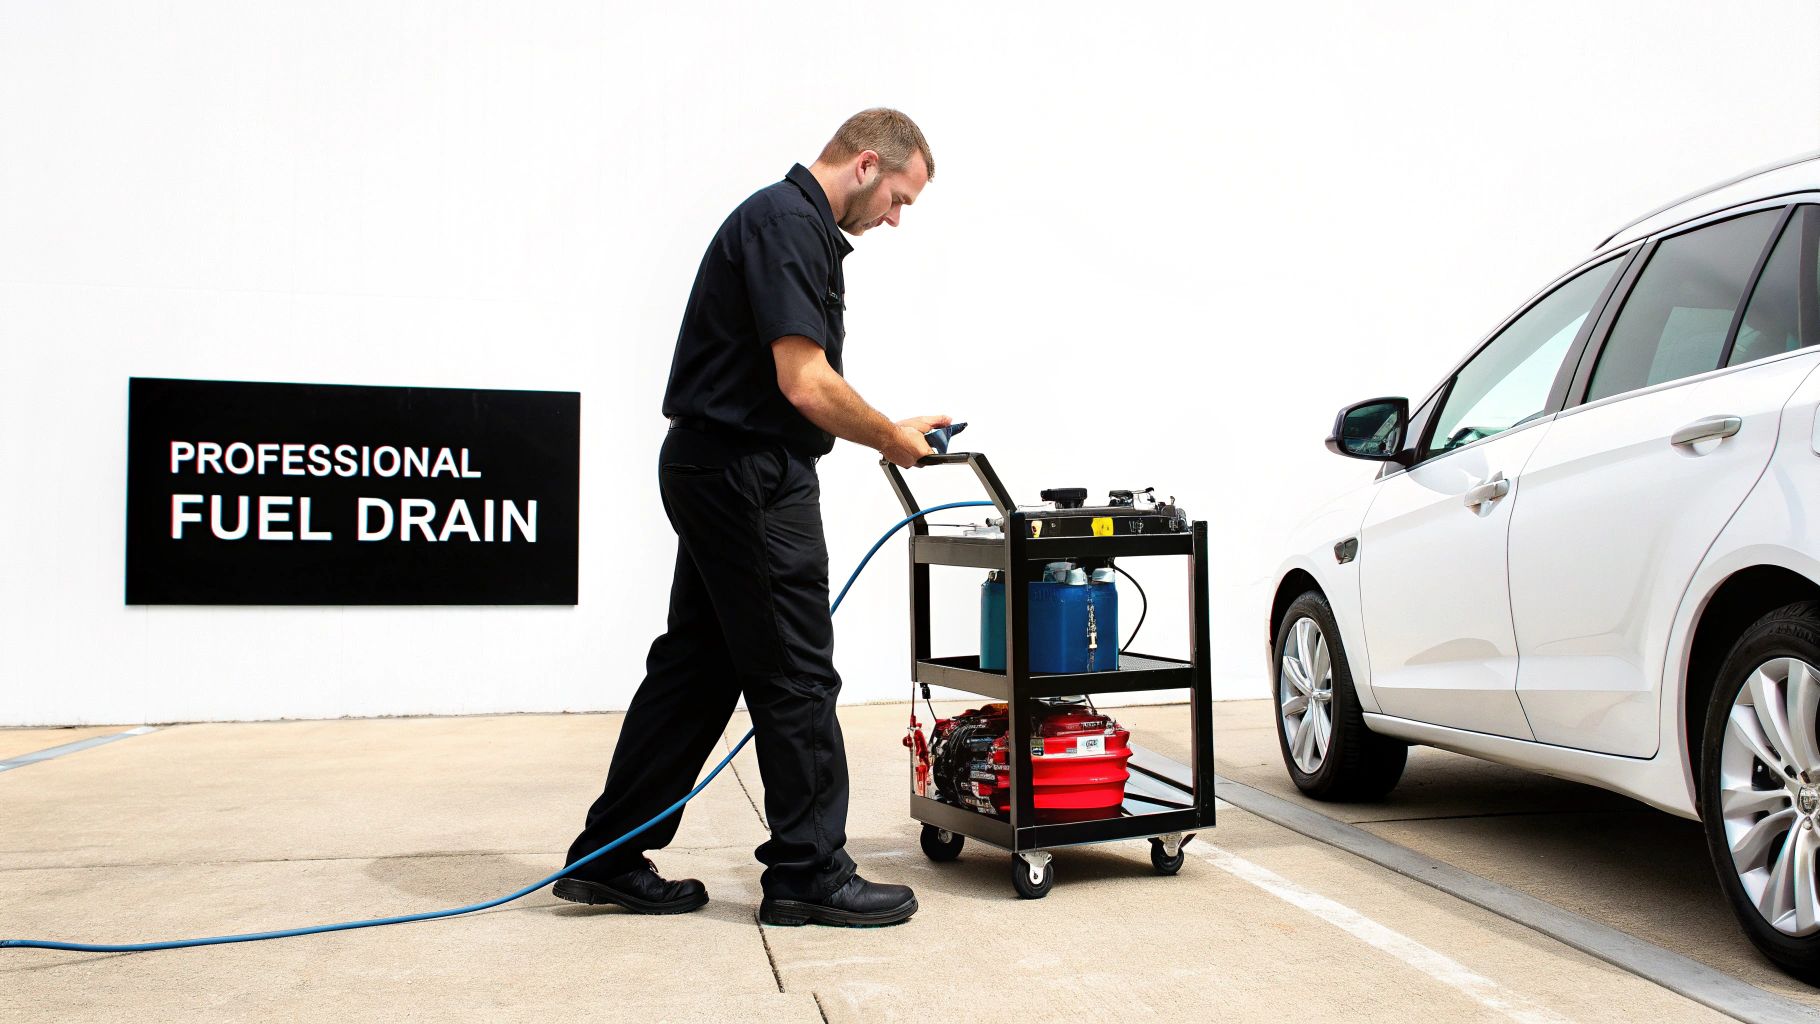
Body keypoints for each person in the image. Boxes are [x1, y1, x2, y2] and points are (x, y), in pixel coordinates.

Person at [557, 109, 946, 927]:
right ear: (868, 164)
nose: (896, 220)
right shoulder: (786, 224)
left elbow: (801, 385)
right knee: (797, 676)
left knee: (697, 670)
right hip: (748, 476)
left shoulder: (788, 226)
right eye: (900, 199)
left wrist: (886, 428)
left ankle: (609, 857)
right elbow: (804, 381)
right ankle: (808, 872)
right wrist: (889, 437)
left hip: (716, 466)